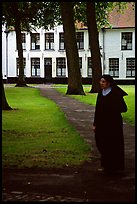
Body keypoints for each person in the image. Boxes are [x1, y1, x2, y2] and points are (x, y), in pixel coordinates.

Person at [92, 74, 128, 175]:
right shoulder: (101, 93)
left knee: (113, 144)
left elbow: (123, 108)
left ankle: (113, 166)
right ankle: (106, 164)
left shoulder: (115, 93)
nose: (101, 83)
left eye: (103, 82)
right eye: (101, 81)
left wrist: (111, 109)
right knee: (101, 143)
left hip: (113, 124)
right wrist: (95, 123)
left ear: (108, 83)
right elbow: (97, 109)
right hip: (102, 123)